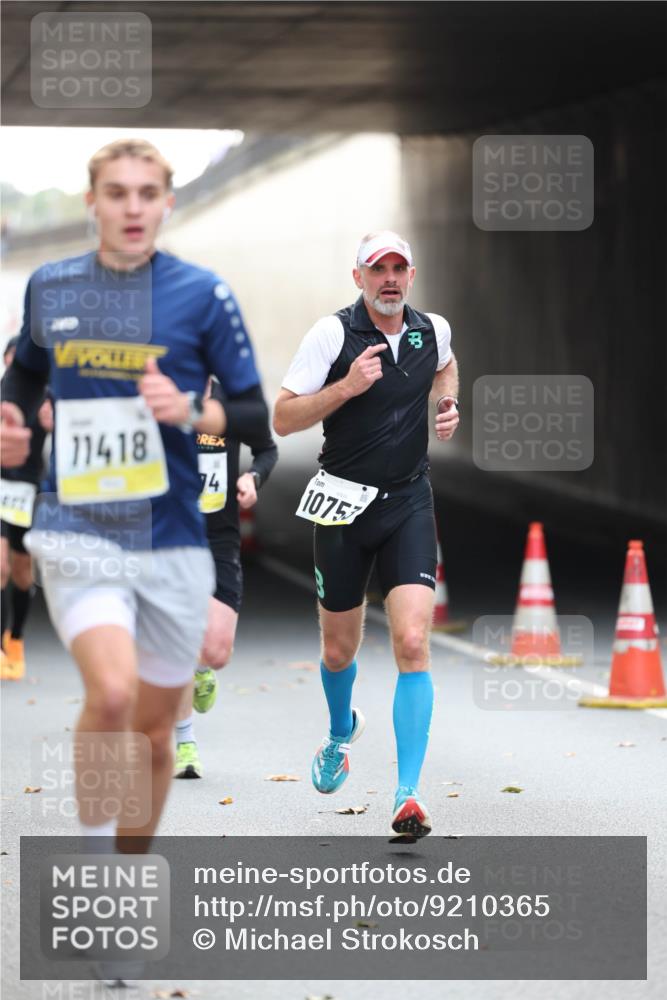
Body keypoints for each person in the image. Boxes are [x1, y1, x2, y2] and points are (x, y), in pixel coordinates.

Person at [0, 138, 266, 851]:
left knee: (153, 735)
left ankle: (127, 862)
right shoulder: (51, 287)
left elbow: (251, 416)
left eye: (146, 194)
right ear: (92, 203)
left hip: (174, 541)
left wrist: (188, 410)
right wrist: (13, 421)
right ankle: (96, 868)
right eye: (116, 193)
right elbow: (24, 372)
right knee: (112, 695)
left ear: (166, 204)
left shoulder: (202, 295)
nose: (132, 207)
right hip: (79, 528)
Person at [273, 230, 460, 839]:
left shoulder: (431, 329)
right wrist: (347, 387)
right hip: (342, 507)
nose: (389, 279)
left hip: (408, 501)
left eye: (399, 268)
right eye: (377, 269)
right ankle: (338, 734)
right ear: (358, 278)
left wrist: (447, 403)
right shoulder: (332, 335)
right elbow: (283, 415)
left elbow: (447, 365)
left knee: (411, 640)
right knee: (338, 650)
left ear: (411, 275)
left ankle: (408, 794)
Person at [174, 377, 278, 778]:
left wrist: (253, 479)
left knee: (216, 652)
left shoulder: (231, 401)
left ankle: (203, 669)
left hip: (219, 536)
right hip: (171, 535)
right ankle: (186, 744)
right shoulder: (162, 394)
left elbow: (267, 449)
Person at [0, 337, 48, 679]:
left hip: (26, 490)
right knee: (0, 567)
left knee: (20, 571)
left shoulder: (47, 398)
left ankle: (15, 636)